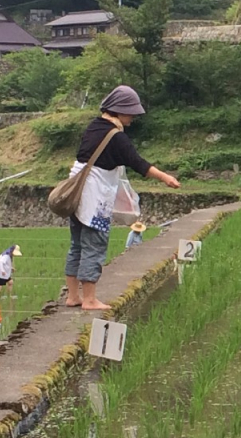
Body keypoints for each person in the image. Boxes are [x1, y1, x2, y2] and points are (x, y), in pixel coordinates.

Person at [65, 85, 181, 311]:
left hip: (75, 193)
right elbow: (139, 164)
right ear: (118, 110)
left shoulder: (93, 127)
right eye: (130, 113)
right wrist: (166, 178)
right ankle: (89, 299)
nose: (132, 118)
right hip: (94, 198)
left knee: (77, 245)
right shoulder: (115, 137)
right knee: (95, 244)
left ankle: (72, 296)